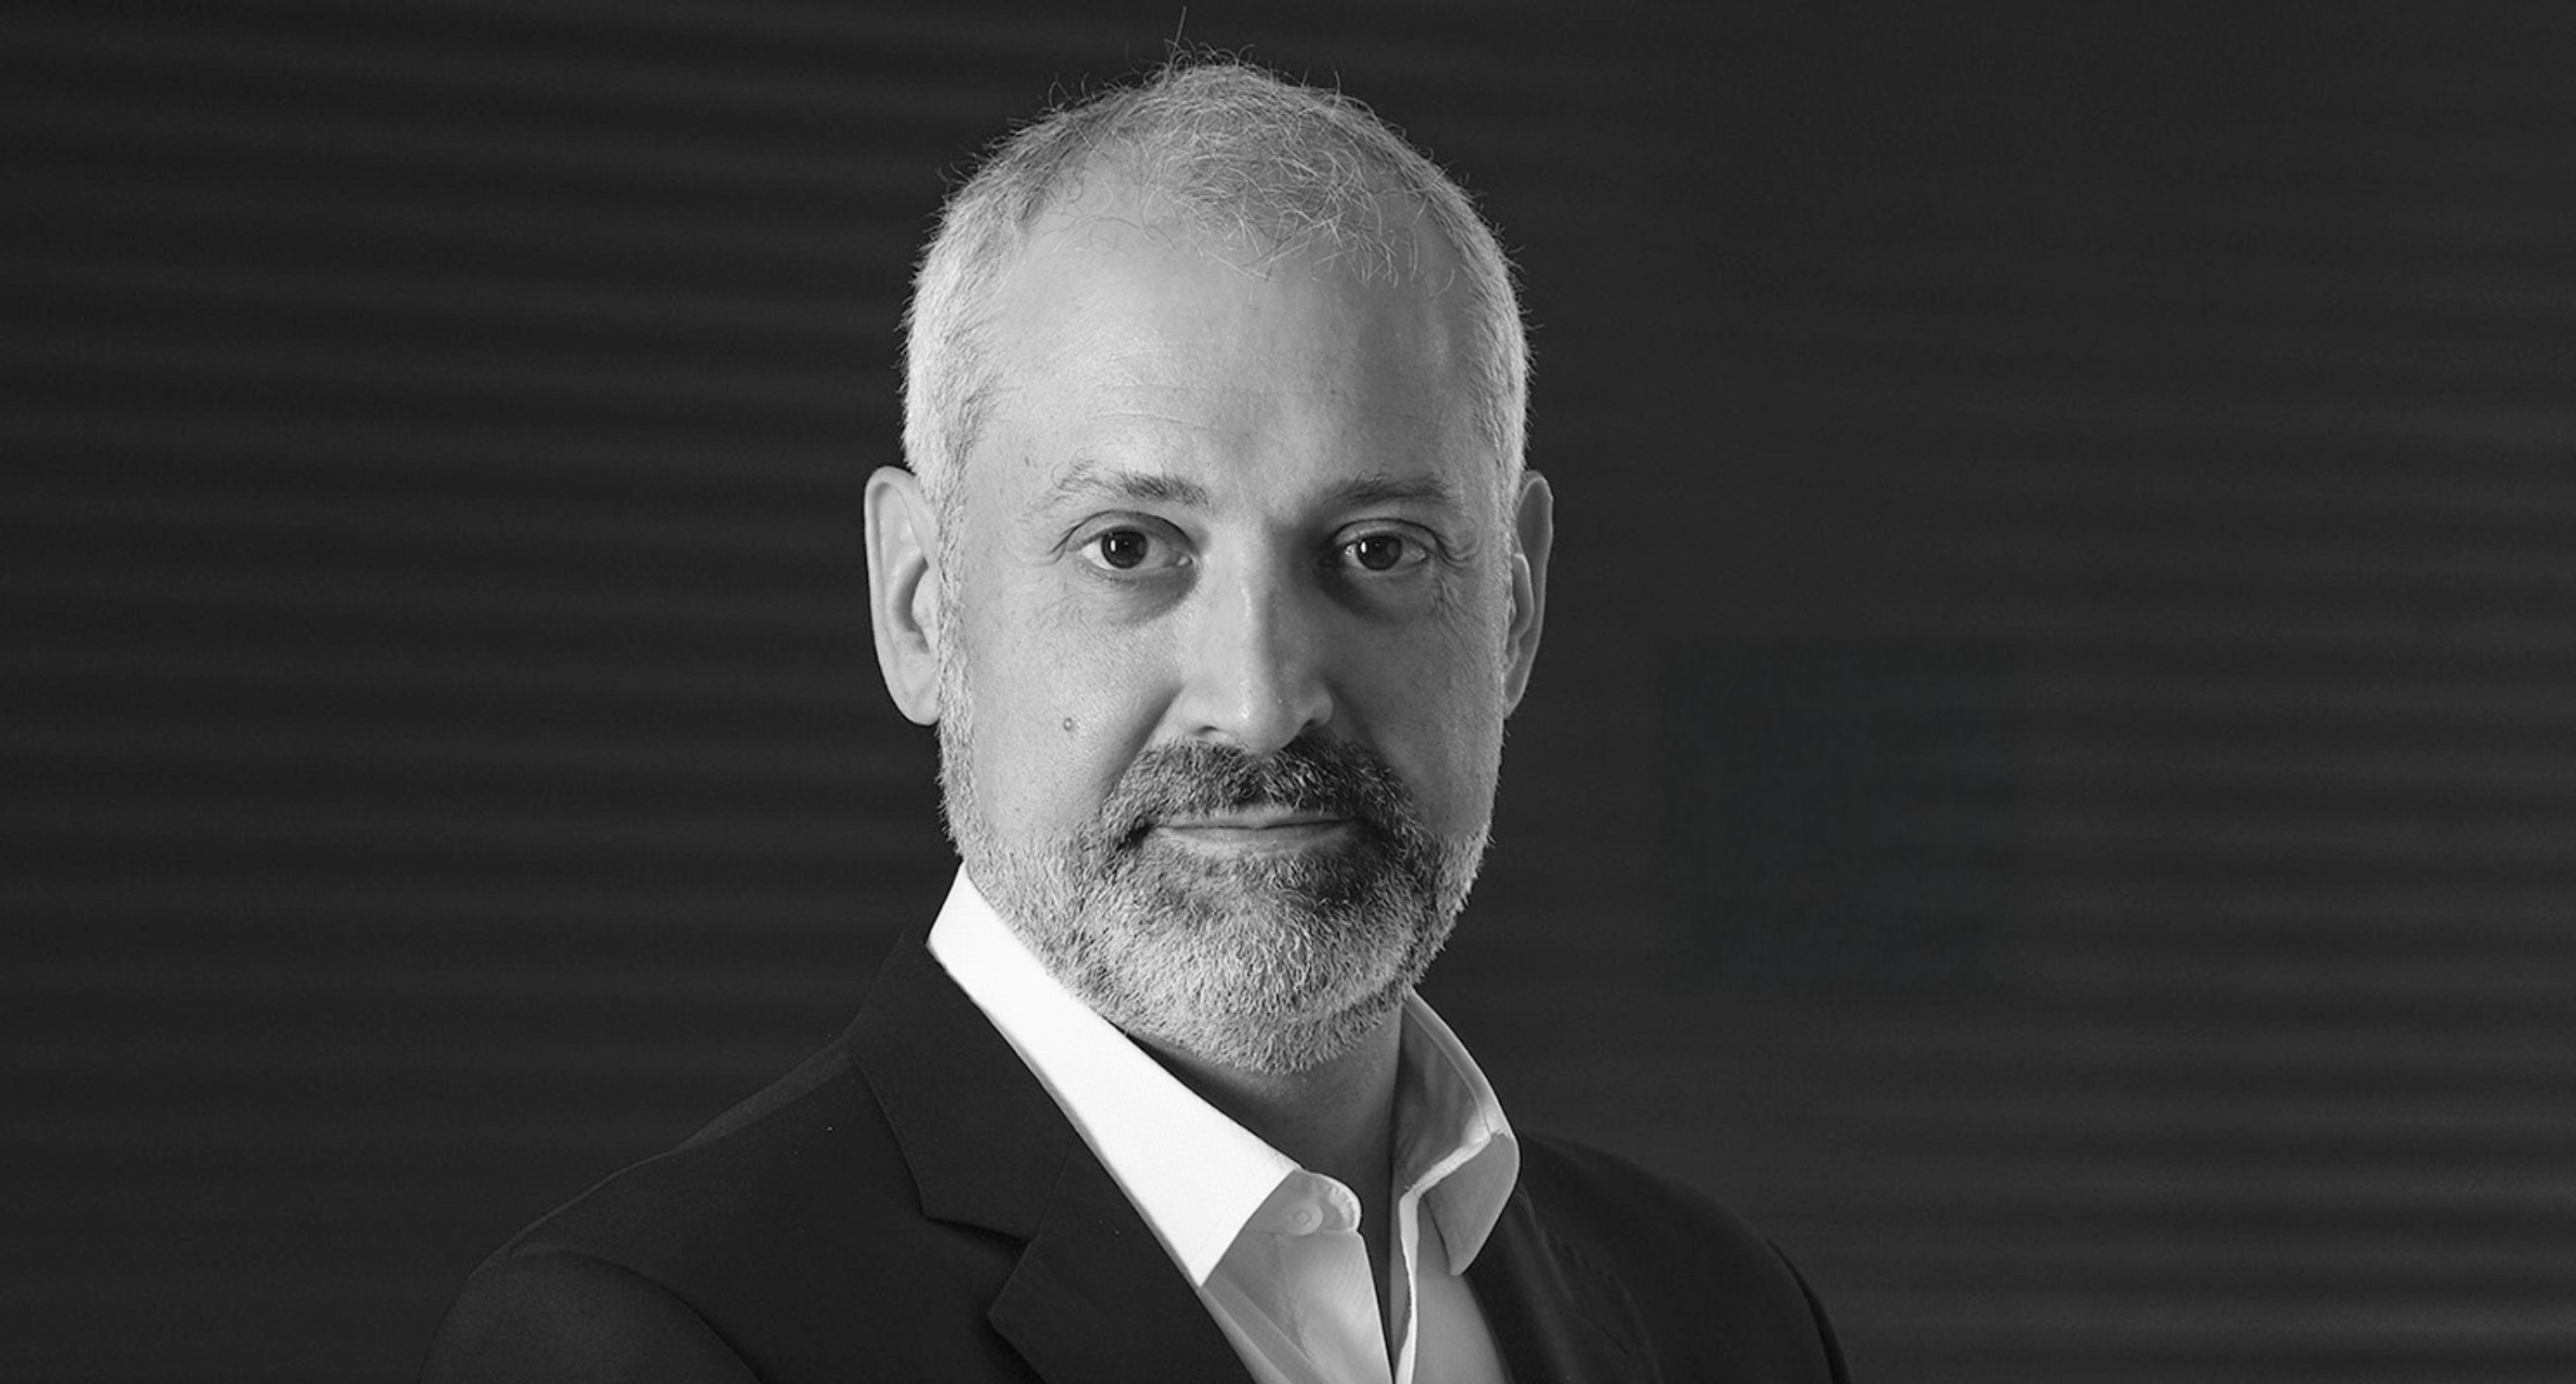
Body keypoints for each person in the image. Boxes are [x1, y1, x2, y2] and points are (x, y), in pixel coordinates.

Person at [422, 58, 1849, 1384]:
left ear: (1516, 608)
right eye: (1131, 547)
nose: (1263, 702)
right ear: (920, 605)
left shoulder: (1725, 1319)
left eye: (1376, 549)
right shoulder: (646, 1341)